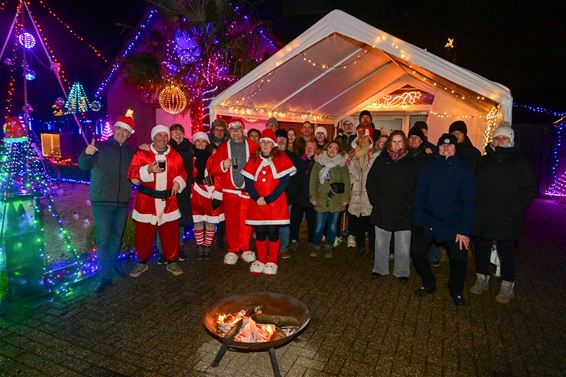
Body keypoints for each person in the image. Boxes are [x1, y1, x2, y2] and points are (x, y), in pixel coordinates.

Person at [471, 124, 536, 303]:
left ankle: (508, 285)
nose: (500, 141)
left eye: (504, 138)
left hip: (507, 216)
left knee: (506, 251)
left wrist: (514, 210)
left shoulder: (519, 162)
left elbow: (529, 189)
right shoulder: (483, 161)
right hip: (484, 214)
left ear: (511, 141)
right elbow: (473, 185)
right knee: (482, 248)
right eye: (497, 138)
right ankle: (481, 277)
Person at [411, 133, 476, 305]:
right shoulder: (428, 168)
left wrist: (464, 230)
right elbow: (419, 196)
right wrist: (417, 224)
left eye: (450, 146)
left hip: (454, 224)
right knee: (417, 251)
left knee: (460, 259)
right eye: (442, 146)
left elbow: (469, 202)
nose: (446, 149)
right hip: (429, 221)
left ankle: (456, 290)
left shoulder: (465, 170)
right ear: (438, 149)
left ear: (455, 149)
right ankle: (429, 283)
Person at [78, 115, 135, 293]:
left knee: (116, 238)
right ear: (115, 129)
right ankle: (105, 276)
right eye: (119, 129)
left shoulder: (130, 152)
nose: (122, 133)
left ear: (129, 134)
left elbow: (139, 167)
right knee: (103, 239)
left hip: (121, 202)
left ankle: (111, 269)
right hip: (102, 201)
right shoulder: (99, 147)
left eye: (126, 131)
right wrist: (87, 154)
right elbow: (83, 166)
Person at [127, 125, 188, 278]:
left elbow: (182, 171)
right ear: (153, 137)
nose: (162, 138)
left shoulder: (174, 155)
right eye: (159, 135)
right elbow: (131, 172)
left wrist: (178, 182)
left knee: (170, 233)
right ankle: (141, 262)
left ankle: (172, 260)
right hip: (146, 201)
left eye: (165, 135)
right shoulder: (143, 153)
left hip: (168, 201)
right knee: (143, 233)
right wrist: (148, 169)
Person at [241, 129, 296, 275]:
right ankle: (260, 259)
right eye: (263, 142)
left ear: (273, 145)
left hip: (274, 203)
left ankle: (272, 260)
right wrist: (256, 198)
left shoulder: (282, 159)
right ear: (260, 144)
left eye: (268, 142)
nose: (265, 145)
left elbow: (284, 182)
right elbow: (248, 181)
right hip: (257, 203)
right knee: (259, 232)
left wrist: (268, 199)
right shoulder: (253, 159)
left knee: (272, 232)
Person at [366, 130, 416, 282]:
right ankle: (380, 268)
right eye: (394, 141)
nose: (397, 145)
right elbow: (371, 182)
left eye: (400, 141)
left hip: (404, 209)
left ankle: (402, 271)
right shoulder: (382, 159)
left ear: (404, 143)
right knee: (381, 240)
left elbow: (417, 184)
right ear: (389, 143)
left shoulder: (411, 161)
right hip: (383, 207)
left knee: (403, 243)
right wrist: (376, 201)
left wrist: (411, 203)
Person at [210, 120, 258, 265]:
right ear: (228, 132)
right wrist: (222, 165)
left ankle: (245, 247)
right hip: (230, 191)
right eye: (232, 130)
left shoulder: (253, 146)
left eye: (238, 129)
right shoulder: (223, 148)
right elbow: (213, 169)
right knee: (231, 222)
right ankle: (233, 249)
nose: (235, 132)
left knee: (246, 221)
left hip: (247, 191)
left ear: (243, 130)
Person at [309, 141, 350, 258]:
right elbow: (313, 181)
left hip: (336, 200)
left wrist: (346, 198)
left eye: (335, 148)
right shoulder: (318, 163)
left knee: (332, 226)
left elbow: (346, 182)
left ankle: (329, 246)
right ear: (327, 149)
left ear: (338, 151)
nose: (332, 150)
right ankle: (316, 245)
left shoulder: (342, 165)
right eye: (330, 147)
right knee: (318, 226)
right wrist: (313, 196)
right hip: (321, 199)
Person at [191, 132, 224, 260]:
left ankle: (208, 246)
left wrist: (218, 193)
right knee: (198, 221)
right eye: (197, 141)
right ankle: (200, 246)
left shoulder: (213, 157)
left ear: (207, 143)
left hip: (210, 191)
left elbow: (218, 176)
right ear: (194, 143)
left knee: (210, 222)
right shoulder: (190, 157)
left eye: (203, 141)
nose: (200, 144)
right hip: (195, 192)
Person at [347, 128, 378, 256]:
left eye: (365, 137)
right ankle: (360, 246)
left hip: (369, 194)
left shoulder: (376, 155)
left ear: (369, 139)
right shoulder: (351, 156)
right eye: (360, 138)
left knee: (370, 223)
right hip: (355, 194)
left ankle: (372, 248)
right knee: (357, 222)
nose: (362, 140)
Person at [168, 124, 194, 261]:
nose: (178, 133)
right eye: (175, 131)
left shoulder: (189, 147)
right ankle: (167, 249)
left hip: (184, 187)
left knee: (180, 220)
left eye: (180, 131)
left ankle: (180, 247)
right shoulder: (166, 147)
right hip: (169, 187)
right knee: (168, 219)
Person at [275, 129, 300, 259]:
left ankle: (283, 247)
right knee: (272, 224)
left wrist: (289, 196)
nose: (281, 140)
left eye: (283, 138)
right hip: (272, 197)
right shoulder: (269, 156)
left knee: (284, 223)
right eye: (278, 137)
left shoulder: (293, 157)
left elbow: (296, 180)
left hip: (287, 197)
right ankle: (272, 247)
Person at [289, 140, 317, 252]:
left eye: (311, 147)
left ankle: (311, 241)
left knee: (312, 221)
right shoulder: (298, 159)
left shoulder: (318, 162)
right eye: (307, 146)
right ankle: (294, 239)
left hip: (311, 197)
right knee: (295, 221)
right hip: (298, 196)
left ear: (315, 149)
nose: (309, 148)